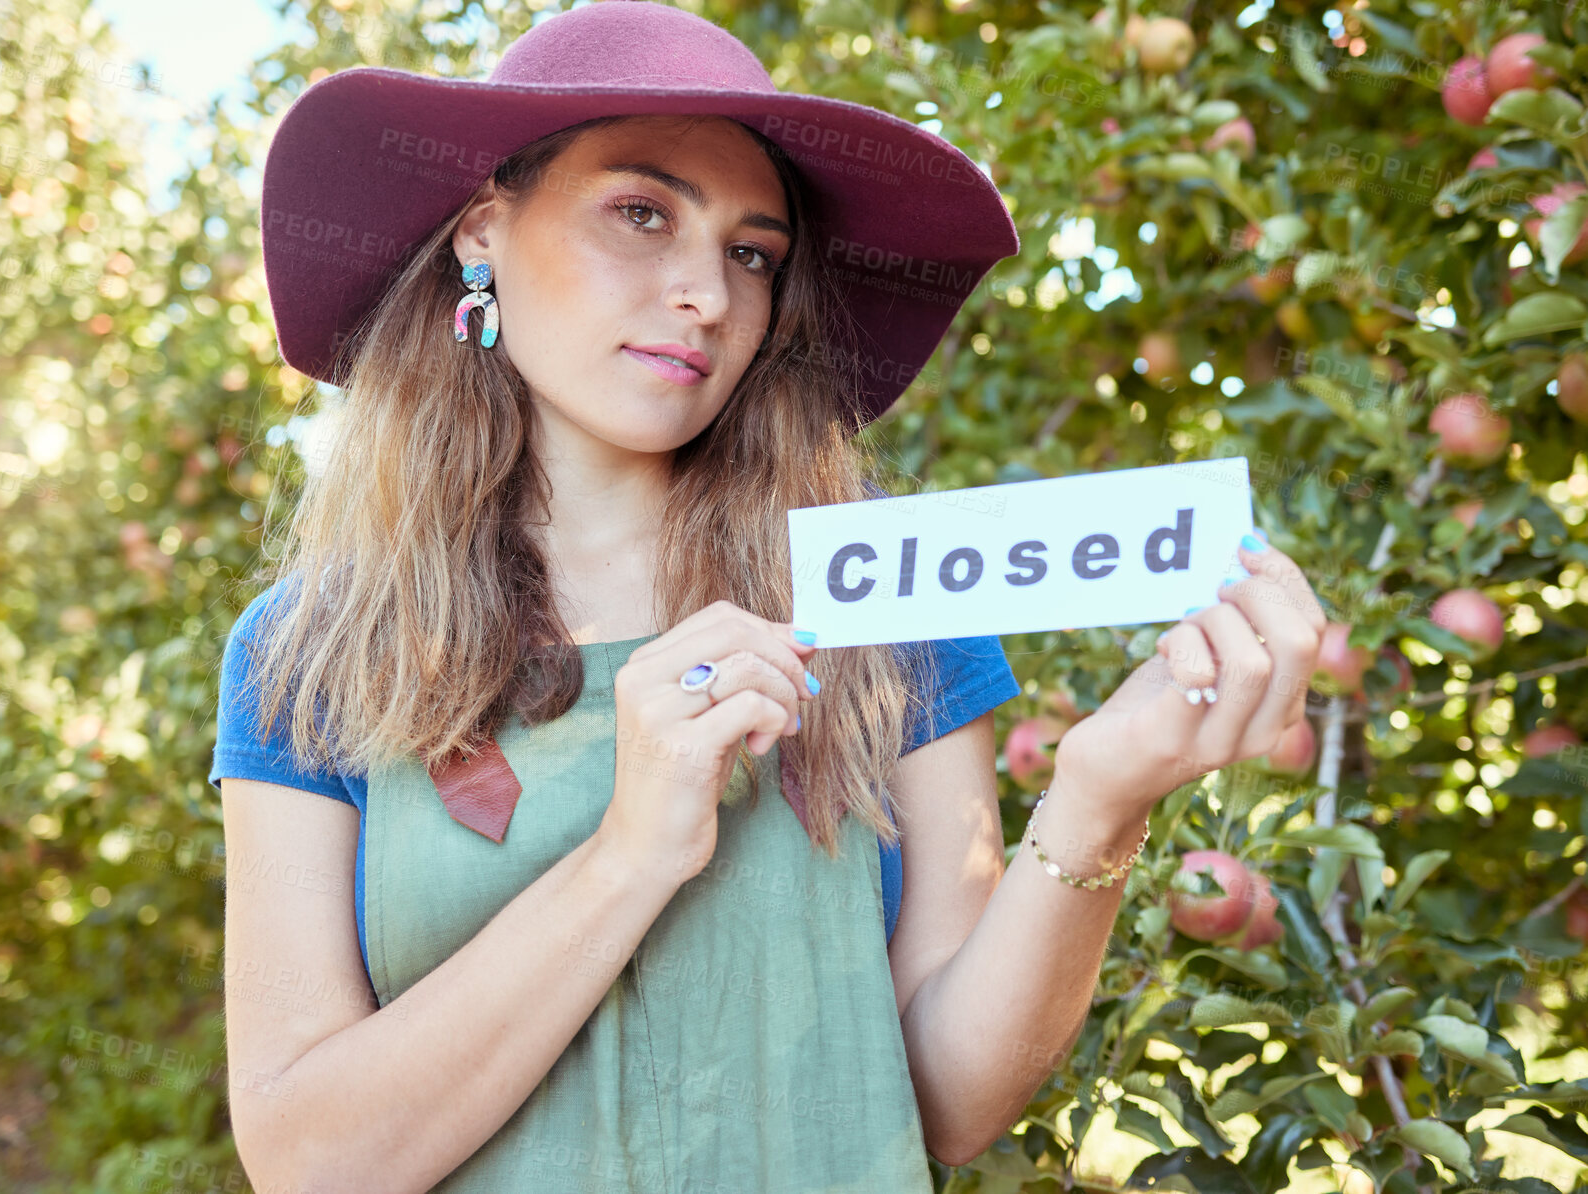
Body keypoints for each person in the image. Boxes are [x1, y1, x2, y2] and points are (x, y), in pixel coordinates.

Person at [207, 3, 1328, 1191]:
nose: (706, 293)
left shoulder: (888, 602)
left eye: (753, 253)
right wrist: (631, 854)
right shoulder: (313, 648)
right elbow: (309, 1164)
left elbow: (943, 1105)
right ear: (484, 231)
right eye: (642, 214)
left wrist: (1102, 798)